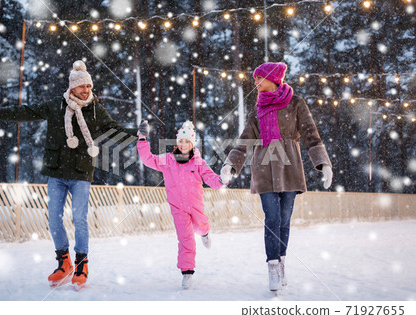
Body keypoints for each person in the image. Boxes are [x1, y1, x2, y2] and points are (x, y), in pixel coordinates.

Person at [0, 60, 137, 288]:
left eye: (88, 86)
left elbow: (115, 130)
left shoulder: (96, 109)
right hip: (56, 172)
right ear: (72, 87)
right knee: (54, 219)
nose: (86, 90)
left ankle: (81, 265)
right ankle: (63, 263)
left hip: (80, 173)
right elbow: (24, 112)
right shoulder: (56, 105)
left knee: (79, 219)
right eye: (81, 86)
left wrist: (138, 133)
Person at [220, 62, 333, 291]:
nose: (255, 82)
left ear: (273, 78)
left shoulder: (296, 103)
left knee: (283, 220)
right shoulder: (257, 109)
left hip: (290, 168)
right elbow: (245, 141)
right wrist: (230, 165)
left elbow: (311, 135)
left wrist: (323, 163)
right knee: (272, 219)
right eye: (254, 79)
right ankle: (272, 266)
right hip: (264, 168)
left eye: (258, 78)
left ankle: (281, 261)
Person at [137, 120, 226, 289]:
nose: (183, 144)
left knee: (200, 227)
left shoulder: (198, 162)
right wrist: (142, 139)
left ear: (192, 143)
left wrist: (222, 180)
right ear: (177, 143)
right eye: (181, 141)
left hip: (195, 206)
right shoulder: (168, 160)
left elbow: (211, 179)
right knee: (185, 238)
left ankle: (205, 233)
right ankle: (187, 271)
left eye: (187, 141)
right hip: (178, 208)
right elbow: (148, 159)